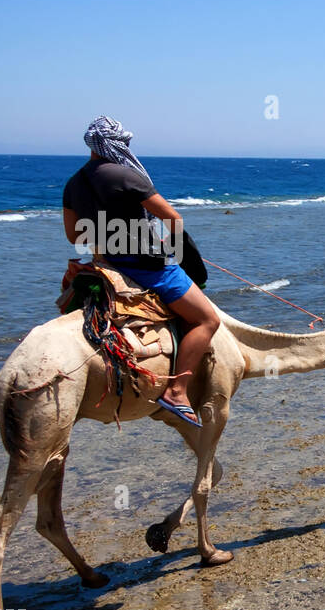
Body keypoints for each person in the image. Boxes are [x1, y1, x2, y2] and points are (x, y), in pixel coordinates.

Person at [62, 116, 220, 427]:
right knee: (207, 319)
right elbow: (173, 218)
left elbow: (74, 236)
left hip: (105, 263)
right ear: (117, 144)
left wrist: (109, 235)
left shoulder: (74, 183)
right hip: (147, 267)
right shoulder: (126, 175)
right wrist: (164, 243)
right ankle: (177, 391)